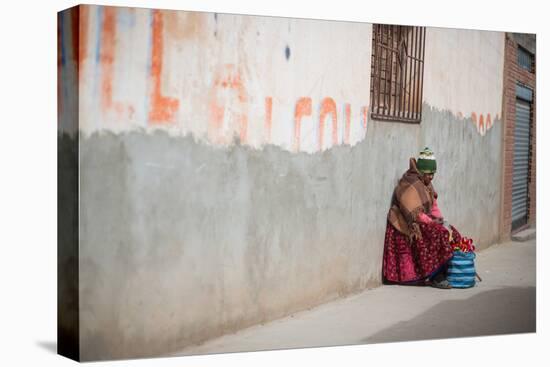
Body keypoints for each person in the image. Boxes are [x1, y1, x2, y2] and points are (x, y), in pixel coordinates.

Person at [382, 147, 462, 289]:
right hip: (407, 223)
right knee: (438, 234)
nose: (431, 177)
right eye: (429, 174)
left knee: (450, 231)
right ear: (421, 172)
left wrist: (443, 222)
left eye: (433, 174)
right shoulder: (410, 183)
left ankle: (444, 271)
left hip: (423, 219)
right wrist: (434, 223)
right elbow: (416, 214)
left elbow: (434, 207)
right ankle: (435, 276)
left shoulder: (427, 185)